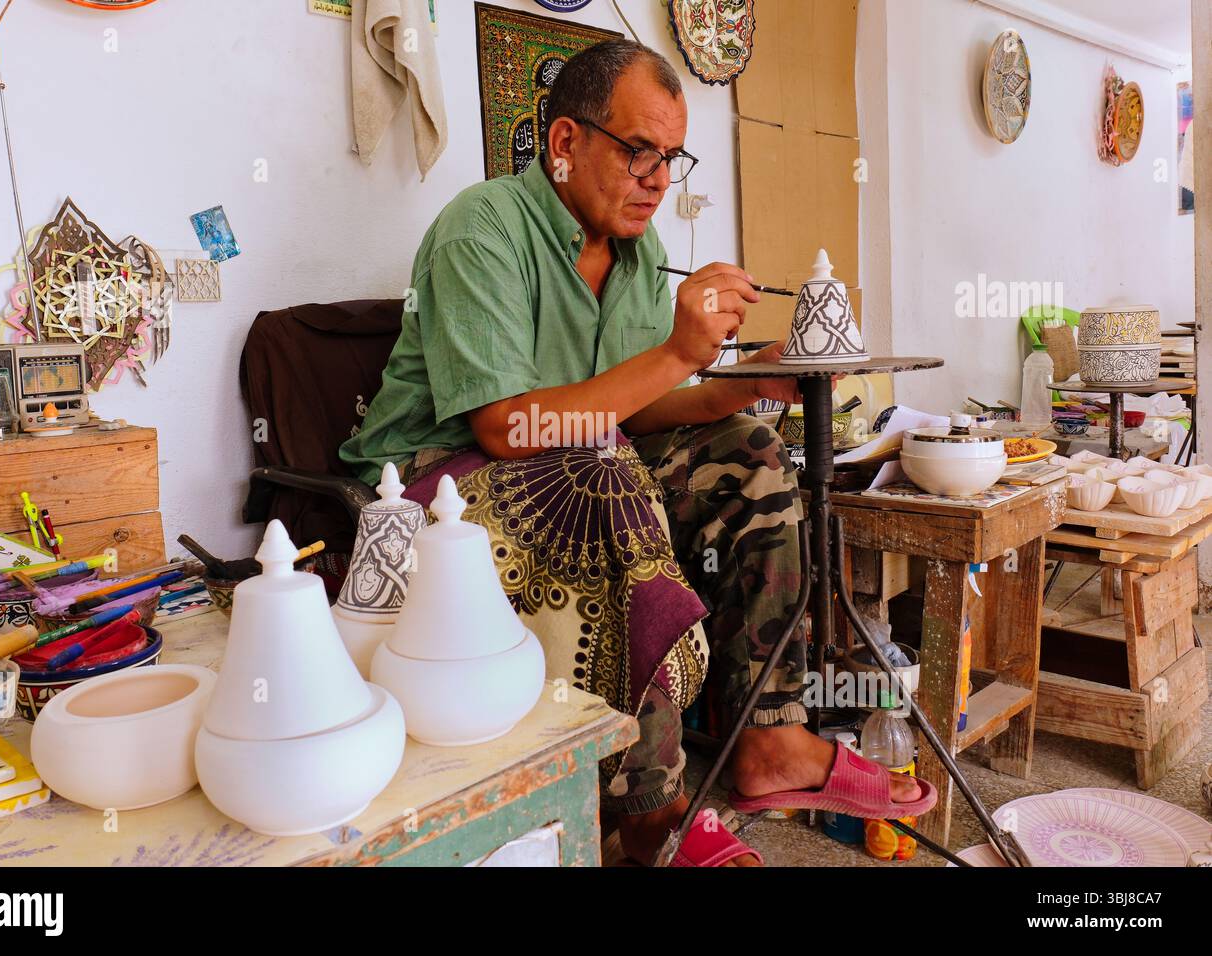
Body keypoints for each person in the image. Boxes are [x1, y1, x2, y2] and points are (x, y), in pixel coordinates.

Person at [342, 39, 934, 867]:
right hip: (435, 484)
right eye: (638, 151)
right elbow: (508, 429)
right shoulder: (480, 231)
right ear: (565, 143)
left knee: (750, 451)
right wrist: (681, 354)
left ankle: (772, 736)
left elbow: (636, 408)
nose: (658, 178)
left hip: (579, 462)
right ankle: (650, 813)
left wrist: (739, 388)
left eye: (671, 157)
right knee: (603, 474)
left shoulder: (638, 250)